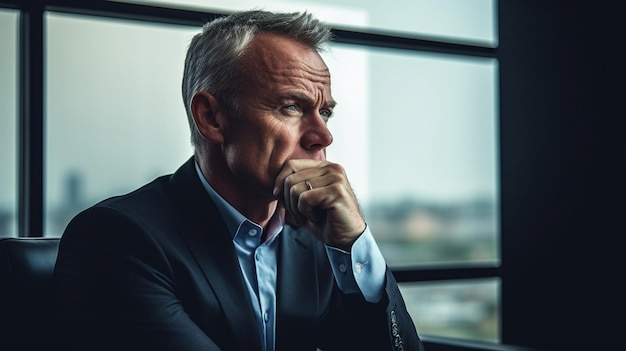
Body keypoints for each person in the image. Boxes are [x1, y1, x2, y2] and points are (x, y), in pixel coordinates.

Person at [53, 10, 424, 351]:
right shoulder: (116, 239)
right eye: (291, 106)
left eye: (324, 112)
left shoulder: (321, 239)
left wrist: (357, 245)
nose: (323, 136)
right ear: (211, 118)